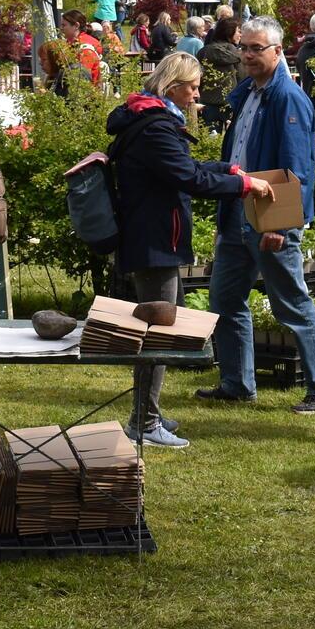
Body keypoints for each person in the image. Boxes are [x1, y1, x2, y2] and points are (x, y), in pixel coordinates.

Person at [108, 53, 275, 448]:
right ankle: (144, 424)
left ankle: (147, 414)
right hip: (154, 244)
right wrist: (244, 186)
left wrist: (228, 170)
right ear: (172, 87)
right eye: (193, 87)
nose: (197, 95)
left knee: (161, 331)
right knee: (158, 335)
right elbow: (188, 178)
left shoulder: (150, 120)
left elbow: (184, 167)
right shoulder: (156, 128)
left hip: (154, 239)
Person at [195, 17, 315, 414]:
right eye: (245, 48)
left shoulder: (288, 98)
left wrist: (280, 223)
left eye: (257, 49)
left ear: (278, 52)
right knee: (224, 301)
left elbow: (296, 168)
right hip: (236, 217)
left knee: (291, 303)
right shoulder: (248, 93)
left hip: (269, 221)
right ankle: (237, 383)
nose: (247, 55)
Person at [196, 16, 241, 131]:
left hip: (207, 101)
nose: (240, 35)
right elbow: (241, 76)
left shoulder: (203, 51)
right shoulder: (235, 53)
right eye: (238, 31)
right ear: (229, 32)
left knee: (208, 139)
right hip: (229, 101)